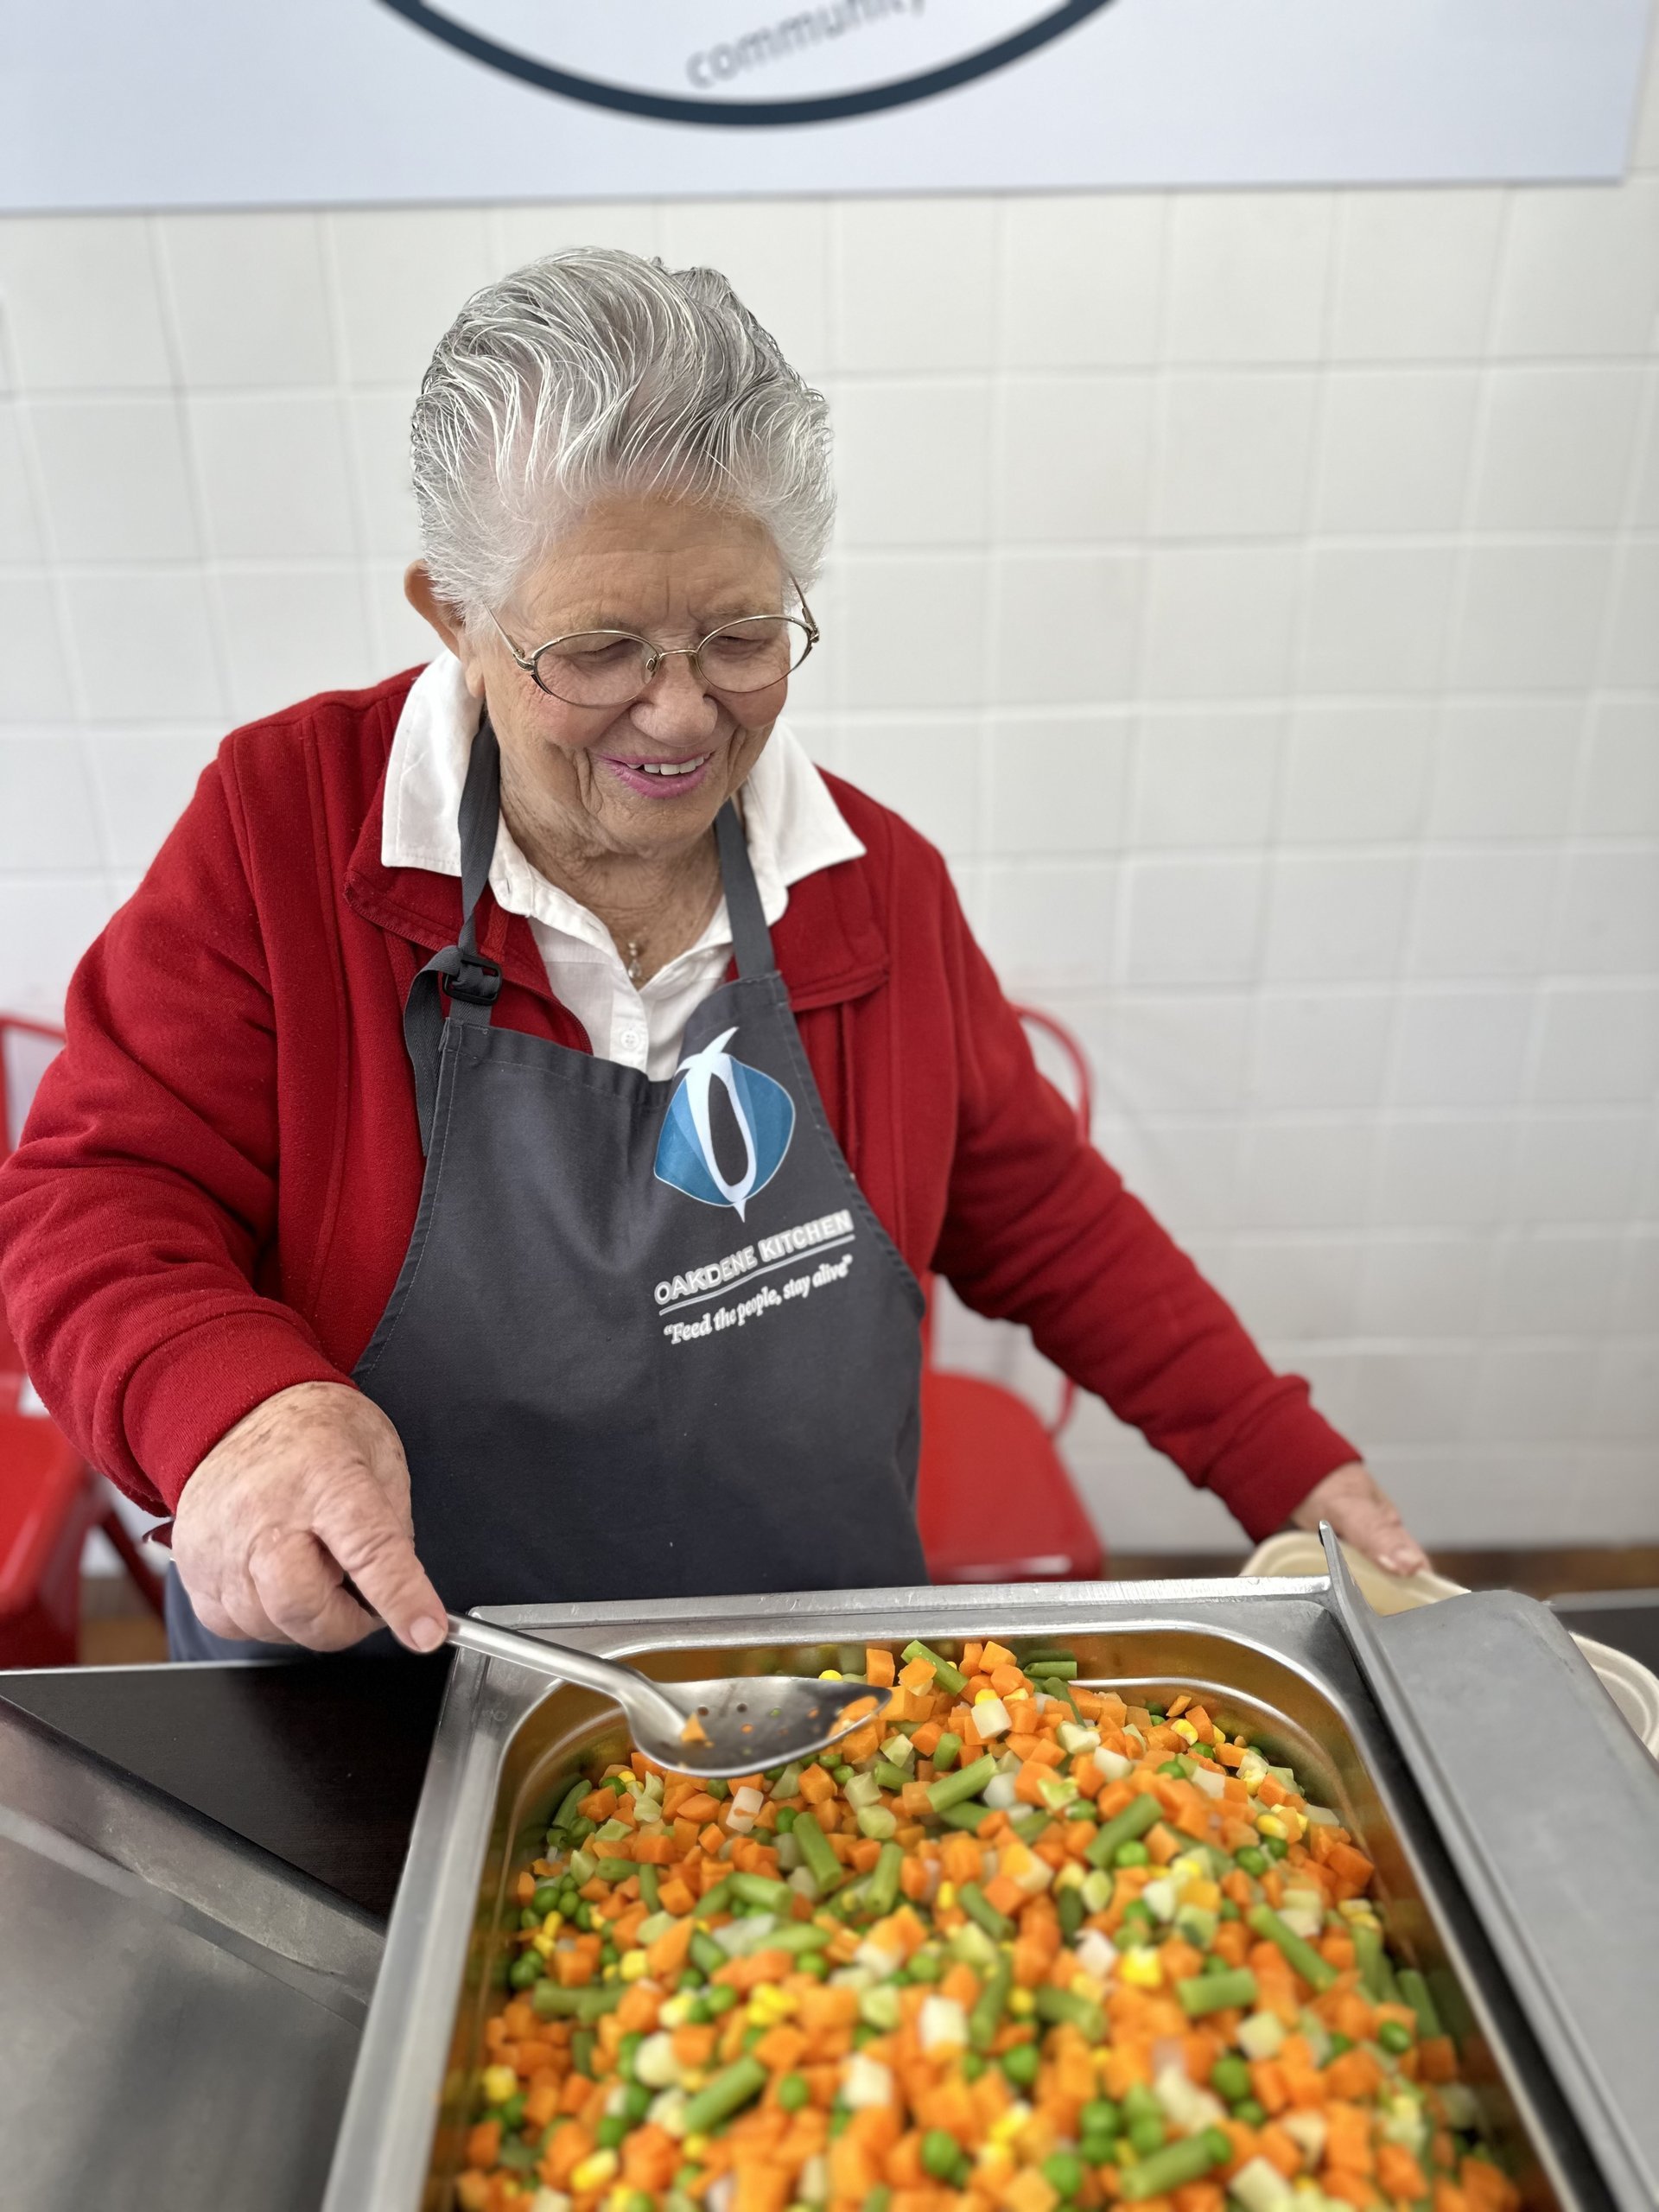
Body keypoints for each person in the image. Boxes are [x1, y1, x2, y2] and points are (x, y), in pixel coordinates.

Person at [0, 251, 1425, 1660]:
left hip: (797, 1696)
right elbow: (97, 1198)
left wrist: (1287, 1464)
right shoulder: (285, 833)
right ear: (455, 615)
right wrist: (236, 1410)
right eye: (603, 648)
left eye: (740, 636)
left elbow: (1045, 1215)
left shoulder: (873, 889)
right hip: (382, 1693)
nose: (681, 717)